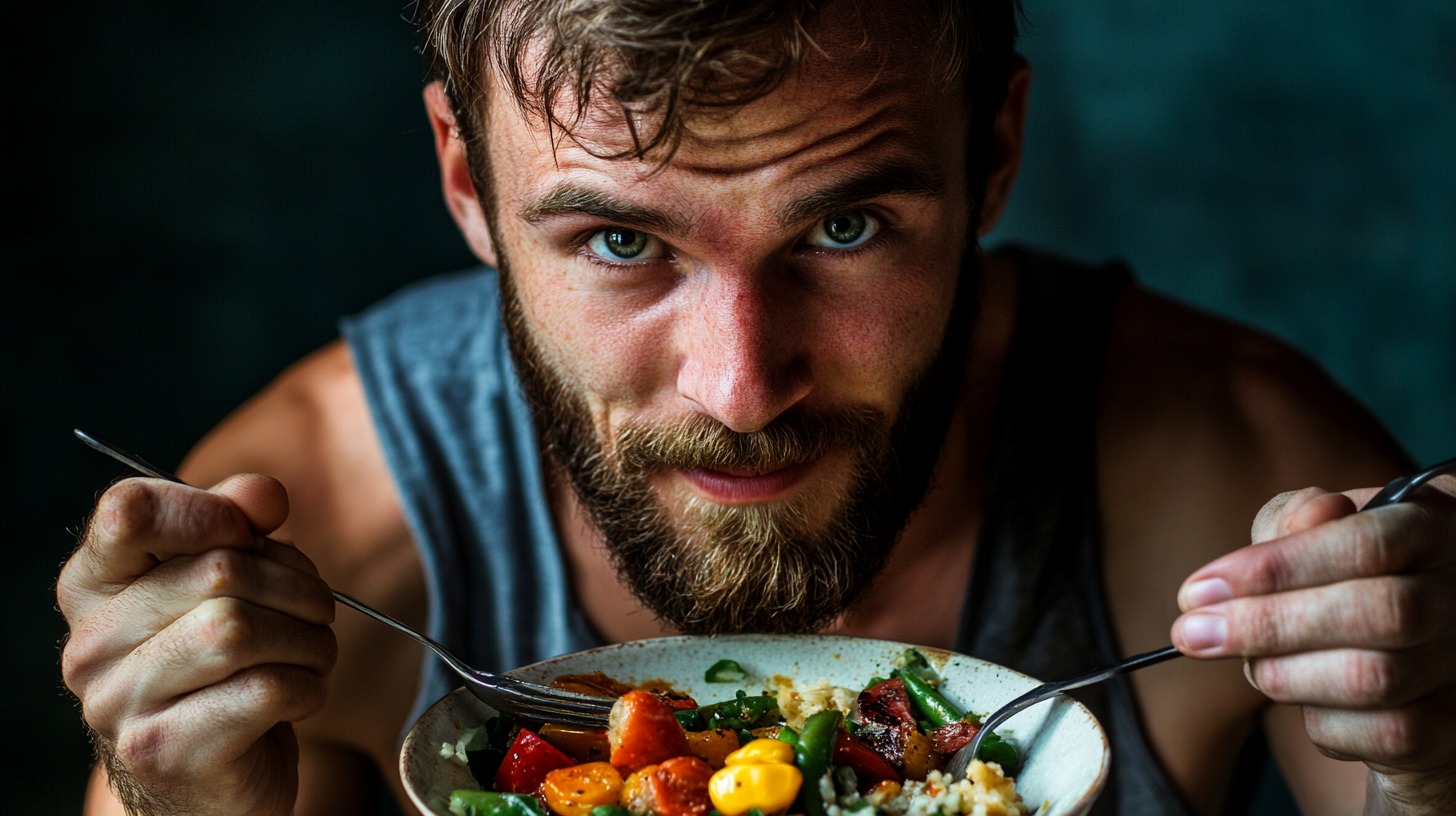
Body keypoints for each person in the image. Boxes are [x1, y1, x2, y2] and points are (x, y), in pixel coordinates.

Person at [56, 1, 1455, 814]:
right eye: (621, 244)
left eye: (845, 227)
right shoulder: (311, 535)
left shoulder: (1242, 481)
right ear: (466, 182)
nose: (740, 389)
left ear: (997, 152)